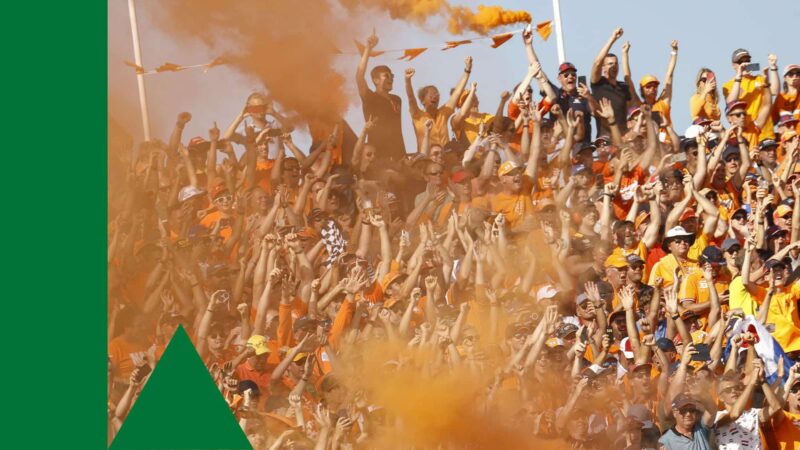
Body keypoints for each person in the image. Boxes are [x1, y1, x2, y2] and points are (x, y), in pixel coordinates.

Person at [355, 31, 405, 162]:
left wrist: (403, 156)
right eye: (386, 76)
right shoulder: (370, 98)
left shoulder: (397, 99)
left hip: (399, 156)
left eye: (392, 76)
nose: (391, 79)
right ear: (376, 80)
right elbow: (359, 76)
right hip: (378, 156)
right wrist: (368, 49)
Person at [591, 27, 633, 137]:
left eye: (616, 63)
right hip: (606, 139)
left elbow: (628, 109)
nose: (614, 66)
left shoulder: (623, 87)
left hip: (623, 137)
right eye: (610, 64)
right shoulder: (598, 83)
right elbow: (597, 63)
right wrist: (613, 38)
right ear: (603, 68)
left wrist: (625, 54)